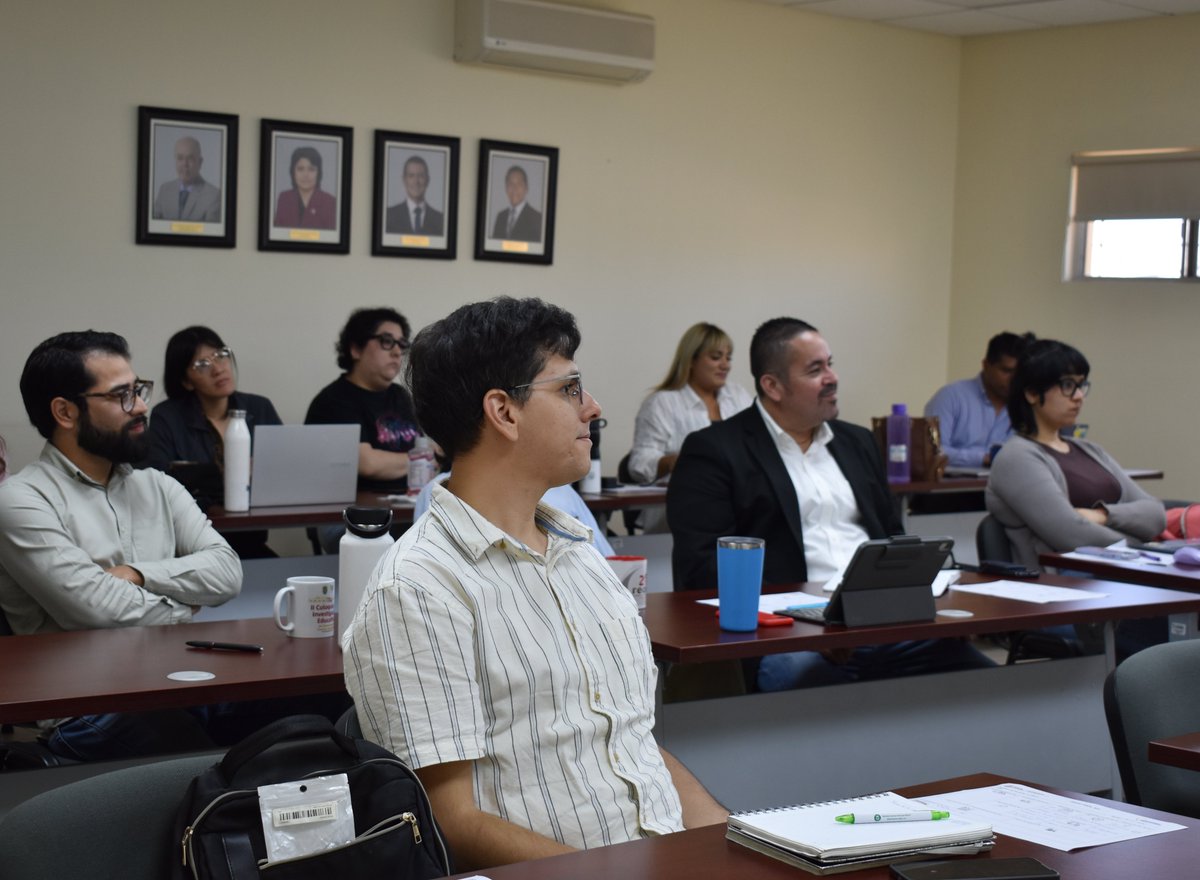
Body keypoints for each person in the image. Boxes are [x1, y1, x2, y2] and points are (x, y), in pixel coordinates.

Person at [343, 297, 726, 870]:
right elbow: (452, 821)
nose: (592, 408)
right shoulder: (418, 589)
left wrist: (736, 848)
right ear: (504, 411)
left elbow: (630, 744)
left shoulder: (581, 556)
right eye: (570, 389)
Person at [667, 318, 993, 690]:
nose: (832, 377)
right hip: (787, 635)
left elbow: (892, 537)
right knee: (794, 673)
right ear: (772, 385)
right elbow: (705, 566)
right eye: (815, 369)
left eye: (830, 364)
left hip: (880, 625)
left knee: (987, 681)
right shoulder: (716, 449)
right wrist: (813, 626)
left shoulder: (858, 443)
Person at [0, 331, 242, 759]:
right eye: (121, 396)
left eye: (138, 390)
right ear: (65, 412)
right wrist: (184, 609)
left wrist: (139, 574)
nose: (142, 406)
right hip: (90, 705)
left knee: (303, 716)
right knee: (225, 766)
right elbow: (95, 607)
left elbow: (227, 572)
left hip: (177, 678)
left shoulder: (158, 486)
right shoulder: (21, 499)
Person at [985, 339, 1165, 572]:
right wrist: (1141, 548)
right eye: (1067, 385)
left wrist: (1103, 515)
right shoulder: (1017, 457)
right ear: (1031, 393)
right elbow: (1070, 533)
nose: (1079, 396)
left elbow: (1155, 513)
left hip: (1115, 572)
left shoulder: (1090, 450)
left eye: (1081, 385)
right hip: (1065, 585)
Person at [143, 325, 282, 558]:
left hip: (250, 537)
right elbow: (157, 479)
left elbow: (286, 469)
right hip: (192, 546)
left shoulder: (259, 408)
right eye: (202, 365)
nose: (218, 369)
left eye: (221, 356)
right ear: (186, 381)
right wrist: (227, 473)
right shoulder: (167, 417)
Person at [305, 307, 421, 495]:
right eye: (387, 341)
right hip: (351, 515)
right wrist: (423, 459)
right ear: (356, 349)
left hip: (406, 507)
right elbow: (368, 464)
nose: (397, 352)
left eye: (401, 344)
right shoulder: (332, 401)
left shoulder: (402, 396)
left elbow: (429, 455)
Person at [627, 322, 753, 484]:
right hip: (680, 499)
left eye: (728, 358)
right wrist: (675, 461)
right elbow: (639, 464)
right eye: (716, 357)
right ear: (691, 360)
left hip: (739, 497)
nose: (725, 365)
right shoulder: (663, 403)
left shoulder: (738, 395)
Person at [924, 331, 1035, 469]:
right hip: (950, 487)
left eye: (1019, 373)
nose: (1014, 380)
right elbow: (932, 451)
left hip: (1004, 486)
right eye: (1006, 371)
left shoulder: (1026, 404)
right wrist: (984, 458)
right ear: (985, 365)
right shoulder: (951, 396)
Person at [152, 135, 222, 222]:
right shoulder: (165, 190)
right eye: (180, 158)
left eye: (190, 158)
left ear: (200, 162)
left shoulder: (214, 196)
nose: (185, 164)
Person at [273, 145, 337, 230]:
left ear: (318, 173)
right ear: (293, 172)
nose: (305, 175)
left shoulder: (329, 202)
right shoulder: (284, 198)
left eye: (311, 169)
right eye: (300, 169)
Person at [385, 154, 444, 236]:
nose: (416, 182)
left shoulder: (440, 220)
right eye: (411, 176)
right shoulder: (388, 216)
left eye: (421, 176)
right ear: (404, 180)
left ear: (428, 180)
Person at [491, 165, 543, 242]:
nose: (514, 188)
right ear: (506, 188)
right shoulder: (501, 217)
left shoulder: (537, 218)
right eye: (510, 184)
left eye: (519, 184)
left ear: (526, 188)